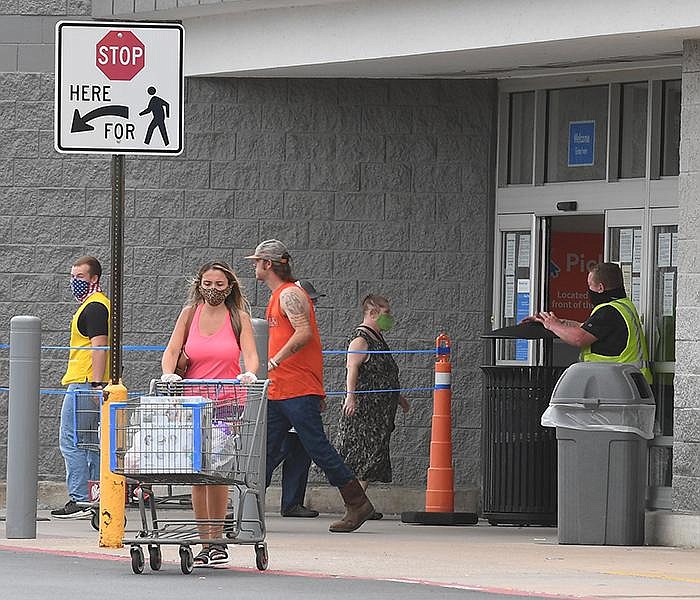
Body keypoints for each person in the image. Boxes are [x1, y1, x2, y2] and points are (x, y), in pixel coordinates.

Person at [247, 239, 375, 533]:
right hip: (281, 388)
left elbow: (304, 333)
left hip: (295, 387)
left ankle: (357, 501)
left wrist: (275, 361)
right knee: (262, 450)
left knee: (317, 447)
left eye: (257, 261)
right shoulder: (280, 294)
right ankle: (248, 509)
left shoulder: (290, 294)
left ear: (268, 264)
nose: (254, 266)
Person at [161, 262, 259, 567]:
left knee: (218, 471)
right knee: (197, 473)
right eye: (208, 283)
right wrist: (168, 374)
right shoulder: (189, 314)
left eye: (219, 284)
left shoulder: (238, 318)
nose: (213, 289)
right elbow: (173, 349)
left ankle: (216, 539)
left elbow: (251, 354)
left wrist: (250, 373)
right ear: (199, 284)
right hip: (192, 403)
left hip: (226, 401)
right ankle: (205, 540)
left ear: (229, 287)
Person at [335, 295, 410, 520]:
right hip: (365, 411)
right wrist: (351, 397)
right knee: (361, 457)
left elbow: (383, 374)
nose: (390, 318)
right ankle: (356, 505)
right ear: (372, 313)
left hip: (380, 413)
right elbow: (352, 369)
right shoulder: (361, 339)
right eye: (386, 313)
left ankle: (361, 505)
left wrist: (398, 397)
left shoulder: (378, 338)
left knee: (373, 457)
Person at [525, 262, 652, 383]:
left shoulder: (609, 311)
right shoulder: (623, 305)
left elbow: (579, 338)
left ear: (600, 288)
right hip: (627, 382)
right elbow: (587, 329)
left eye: (590, 285)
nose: (588, 289)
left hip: (619, 384)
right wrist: (558, 323)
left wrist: (553, 325)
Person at [51, 256, 110, 519]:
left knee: (73, 442)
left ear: (94, 278)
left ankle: (80, 499)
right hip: (86, 381)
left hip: (85, 382)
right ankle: (94, 498)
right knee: (89, 442)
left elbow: (100, 346)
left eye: (81, 277)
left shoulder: (95, 307)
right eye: (72, 277)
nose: (75, 282)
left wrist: (96, 384)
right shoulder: (93, 304)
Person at [268, 280, 326, 518]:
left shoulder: (304, 328)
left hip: (301, 395)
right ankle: (251, 500)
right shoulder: (287, 325)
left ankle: (292, 502)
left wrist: (318, 394)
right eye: (310, 300)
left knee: (300, 456)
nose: (311, 305)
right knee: (272, 454)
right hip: (286, 396)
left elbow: (312, 364)